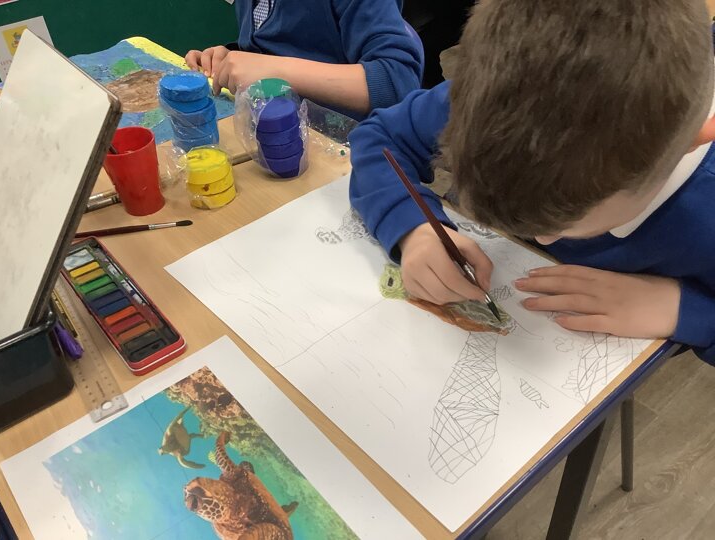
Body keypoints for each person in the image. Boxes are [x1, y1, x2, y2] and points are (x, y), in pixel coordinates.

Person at [348, 0, 715, 363]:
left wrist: (686, 310)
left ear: (692, 142)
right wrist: (414, 229)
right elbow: (379, 139)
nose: (539, 239)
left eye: (565, 226)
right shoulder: (503, 95)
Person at [185, 0, 424, 119]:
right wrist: (231, 57)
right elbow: (275, 44)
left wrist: (276, 71)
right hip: (275, 129)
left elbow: (397, 83)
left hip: (345, 152)